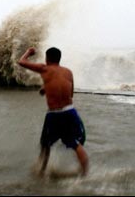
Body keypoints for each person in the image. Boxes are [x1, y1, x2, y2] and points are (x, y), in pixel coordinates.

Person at [18, 47, 88, 176]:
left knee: (45, 144)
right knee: (75, 144)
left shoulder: (44, 68)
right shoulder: (68, 72)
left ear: (47, 58)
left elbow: (21, 62)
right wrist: (46, 87)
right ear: (59, 58)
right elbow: (70, 93)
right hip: (70, 111)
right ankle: (85, 174)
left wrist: (28, 52)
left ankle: (41, 172)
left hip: (55, 114)